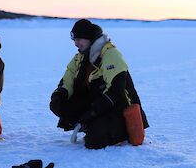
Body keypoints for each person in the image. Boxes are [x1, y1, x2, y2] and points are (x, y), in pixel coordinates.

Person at [49, 19, 149, 149]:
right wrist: (59, 95)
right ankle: (90, 125)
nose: (76, 43)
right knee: (60, 104)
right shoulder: (81, 56)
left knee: (94, 141)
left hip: (117, 107)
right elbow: (68, 79)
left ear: (89, 38)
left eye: (79, 39)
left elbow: (116, 92)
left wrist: (92, 113)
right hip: (97, 104)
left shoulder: (110, 54)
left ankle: (120, 131)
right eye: (74, 40)